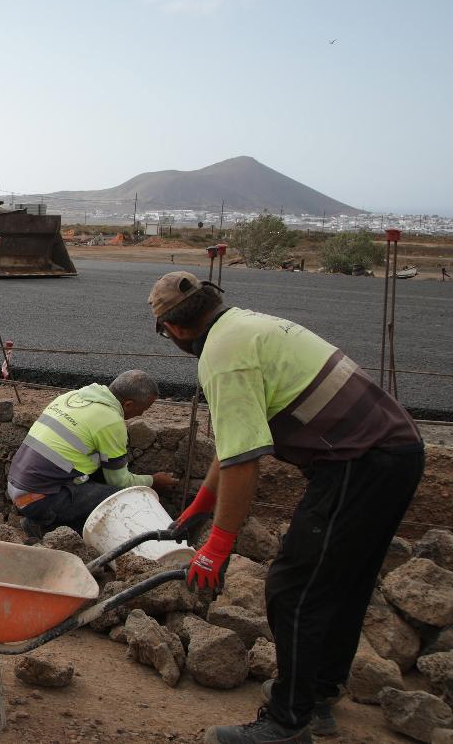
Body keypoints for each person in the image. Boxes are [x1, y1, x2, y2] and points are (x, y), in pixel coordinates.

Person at [149, 272, 424, 744]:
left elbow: (243, 464)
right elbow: (235, 443)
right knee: (344, 580)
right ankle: (316, 693)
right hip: (397, 451)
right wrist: (199, 506)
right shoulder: (247, 326)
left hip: (358, 462)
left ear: (173, 329)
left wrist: (217, 546)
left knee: (293, 588)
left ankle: (286, 723)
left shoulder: (222, 356)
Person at [6, 370, 178, 538]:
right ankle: (47, 526)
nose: (141, 414)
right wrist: (153, 481)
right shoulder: (111, 421)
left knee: (101, 473)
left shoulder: (72, 396)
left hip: (18, 487)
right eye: (143, 409)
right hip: (40, 498)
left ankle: (46, 522)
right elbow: (120, 481)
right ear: (128, 405)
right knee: (122, 500)